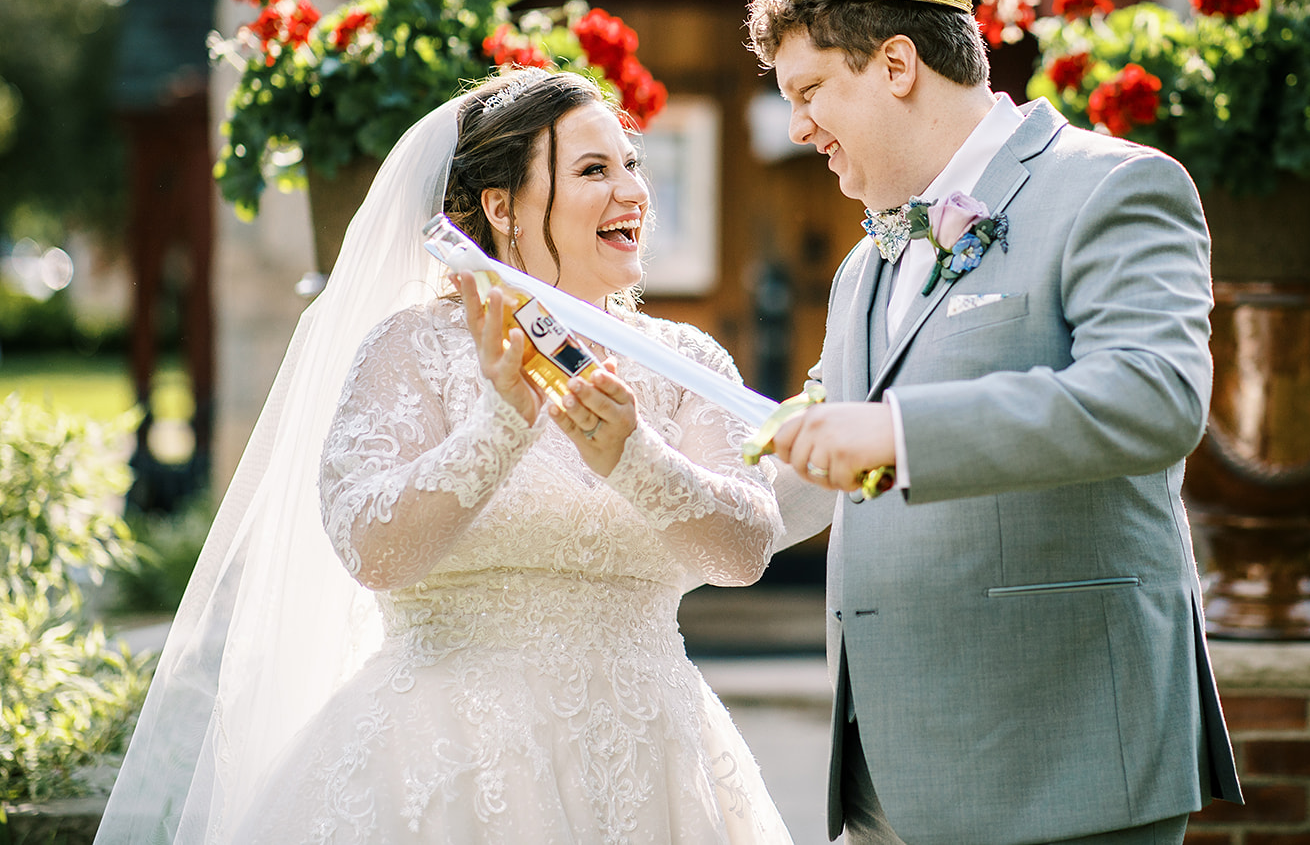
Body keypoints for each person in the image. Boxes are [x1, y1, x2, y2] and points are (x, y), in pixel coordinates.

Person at [96, 70, 793, 844]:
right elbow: (371, 548)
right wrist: (496, 432)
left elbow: (746, 548)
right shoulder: (411, 349)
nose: (632, 191)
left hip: (655, 762)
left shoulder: (685, 361)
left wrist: (634, 457)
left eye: (632, 164)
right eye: (595, 170)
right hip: (446, 762)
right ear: (501, 206)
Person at [748, 0, 1244, 845]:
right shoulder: (864, 261)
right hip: (884, 777)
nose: (800, 128)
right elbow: (818, 460)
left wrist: (896, 434)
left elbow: (1154, 396)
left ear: (896, 65)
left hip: (1062, 762)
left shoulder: (1115, 185)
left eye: (810, 93)